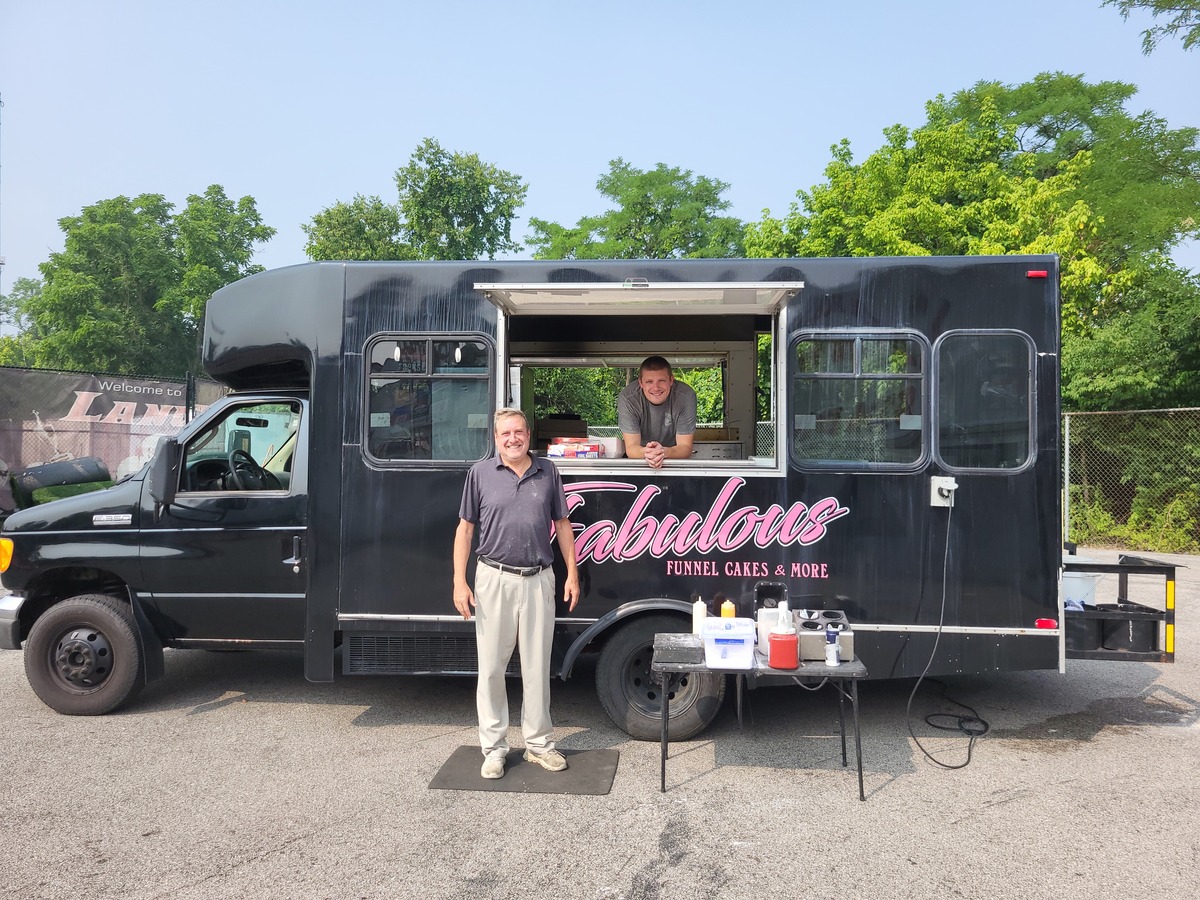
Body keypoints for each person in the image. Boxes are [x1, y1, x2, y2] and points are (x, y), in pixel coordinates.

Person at [453, 408, 580, 780]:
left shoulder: (548, 471)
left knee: (537, 667)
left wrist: (571, 574)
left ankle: (539, 745)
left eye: (519, 432)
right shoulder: (480, 474)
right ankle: (493, 749)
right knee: (491, 668)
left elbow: (563, 525)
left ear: (528, 434)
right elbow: (464, 530)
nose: (513, 438)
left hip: (539, 578)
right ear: (495, 439)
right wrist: (459, 581)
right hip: (493, 578)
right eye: (505, 433)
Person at [617, 356, 697, 468]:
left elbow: (685, 448)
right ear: (640, 383)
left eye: (661, 381)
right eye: (649, 381)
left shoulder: (686, 396)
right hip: (640, 462)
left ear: (671, 380)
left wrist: (664, 452)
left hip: (674, 461)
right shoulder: (628, 397)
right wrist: (649, 453)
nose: (656, 388)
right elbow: (631, 448)